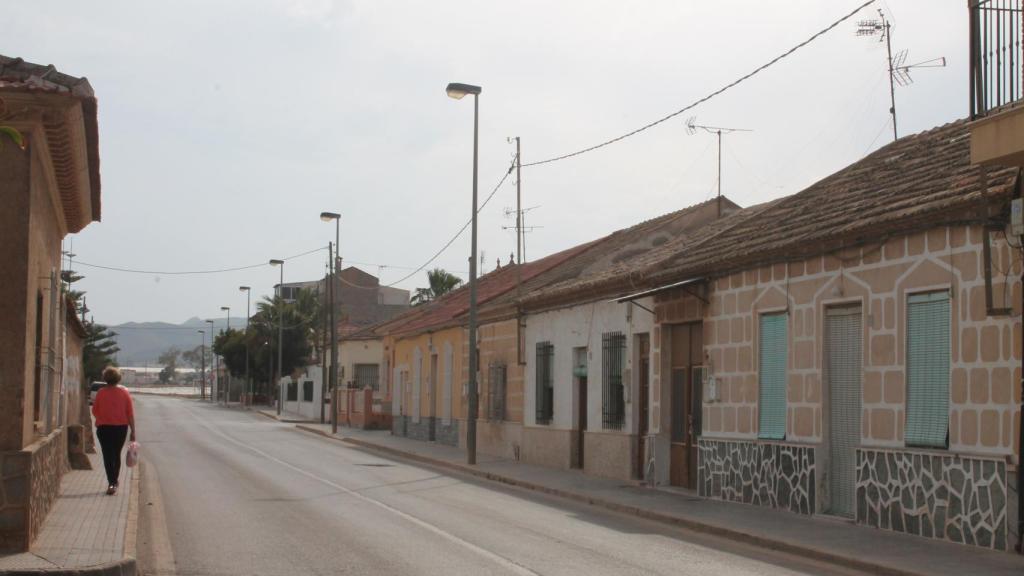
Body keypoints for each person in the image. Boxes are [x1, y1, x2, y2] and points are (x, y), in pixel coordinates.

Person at [91, 366, 136, 495]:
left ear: (105, 378)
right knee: (116, 455)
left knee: (107, 455)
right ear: (118, 378)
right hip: (120, 429)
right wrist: (133, 431)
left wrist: (103, 418)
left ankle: (112, 482)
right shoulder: (124, 393)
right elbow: (130, 414)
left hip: (104, 428)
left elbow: (95, 411)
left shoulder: (101, 392)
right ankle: (114, 481)